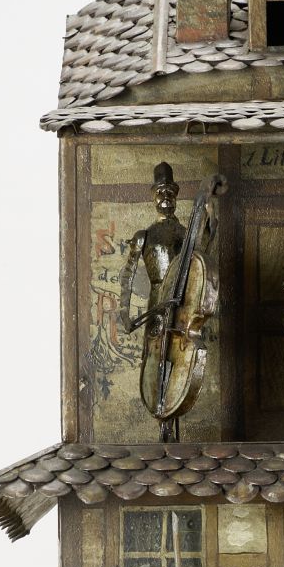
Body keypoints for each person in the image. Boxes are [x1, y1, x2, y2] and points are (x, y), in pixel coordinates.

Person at [119, 161, 186, 399]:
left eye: (170, 192)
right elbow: (127, 276)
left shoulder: (186, 234)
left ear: (176, 196)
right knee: (154, 354)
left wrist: (210, 221)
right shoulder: (144, 236)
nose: (166, 197)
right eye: (160, 192)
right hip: (157, 302)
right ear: (153, 197)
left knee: (180, 357)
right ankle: (156, 401)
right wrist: (124, 313)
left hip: (182, 302)